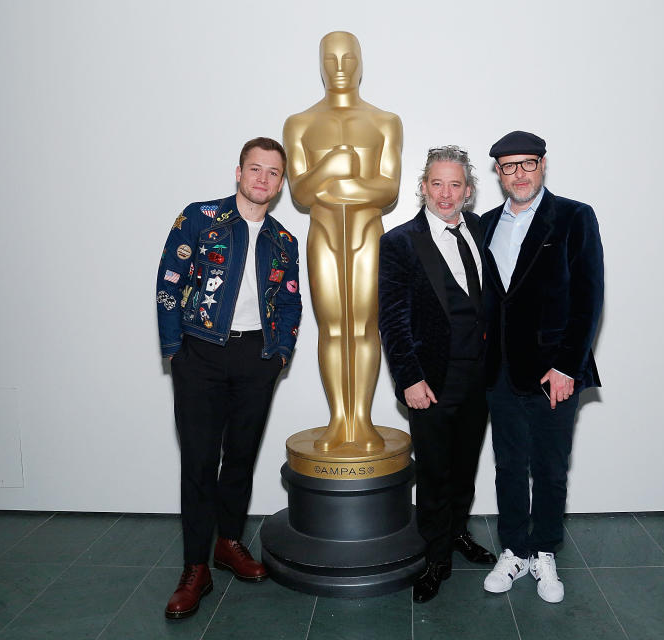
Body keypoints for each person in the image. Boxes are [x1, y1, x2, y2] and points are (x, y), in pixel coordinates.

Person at [156, 137, 302, 619]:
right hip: (199, 353)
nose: (263, 179)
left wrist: (279, 353)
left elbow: (289, 300)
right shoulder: (200, 218)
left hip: (255, 358)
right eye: (255, 169)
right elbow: (169, 281)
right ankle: (195, 567)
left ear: (282, 182)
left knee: (240, 457)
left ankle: (229, 542)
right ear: (238, 173)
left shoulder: (284, 240)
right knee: (199, 462)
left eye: (273, 173)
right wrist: (175, 349)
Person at [480, 131, 603, 604]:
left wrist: (567, 367)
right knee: (508, 466)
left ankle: (544, 552)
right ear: (498, 173)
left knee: (550, 468)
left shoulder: (574, 217)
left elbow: (589, 298)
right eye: (508, 167)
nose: (519, 174)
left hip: (555, 372)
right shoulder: (486, 224)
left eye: (527, 163)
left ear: (543, 164)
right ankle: (513, 549)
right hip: (501, 373)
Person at [379, 146, 497, 603]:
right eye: (437, 184)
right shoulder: (399, 242)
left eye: (455, 185)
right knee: (433, 471)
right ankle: (435, 556)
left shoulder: (483, 230)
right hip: (430, 380)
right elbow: (392, 317)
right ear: (423, 187)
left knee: (466, 465)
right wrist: (408, 377)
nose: (445, 194)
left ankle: (457, 533)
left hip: (482, 377)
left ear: (468, 190)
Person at [283, 31, 402, 452]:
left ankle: (362, 421)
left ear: (360, 62)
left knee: (366, 327)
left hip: (369, 235)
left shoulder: (385, 122)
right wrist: (334, 165)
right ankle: (339, 420)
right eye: (330, 58)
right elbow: (300, 192)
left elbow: (388, 190)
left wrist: (336, 188)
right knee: (332, 327)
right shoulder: (299, 124)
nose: (339, 66)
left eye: (348, 57)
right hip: (324, 235)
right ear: (319, 63)